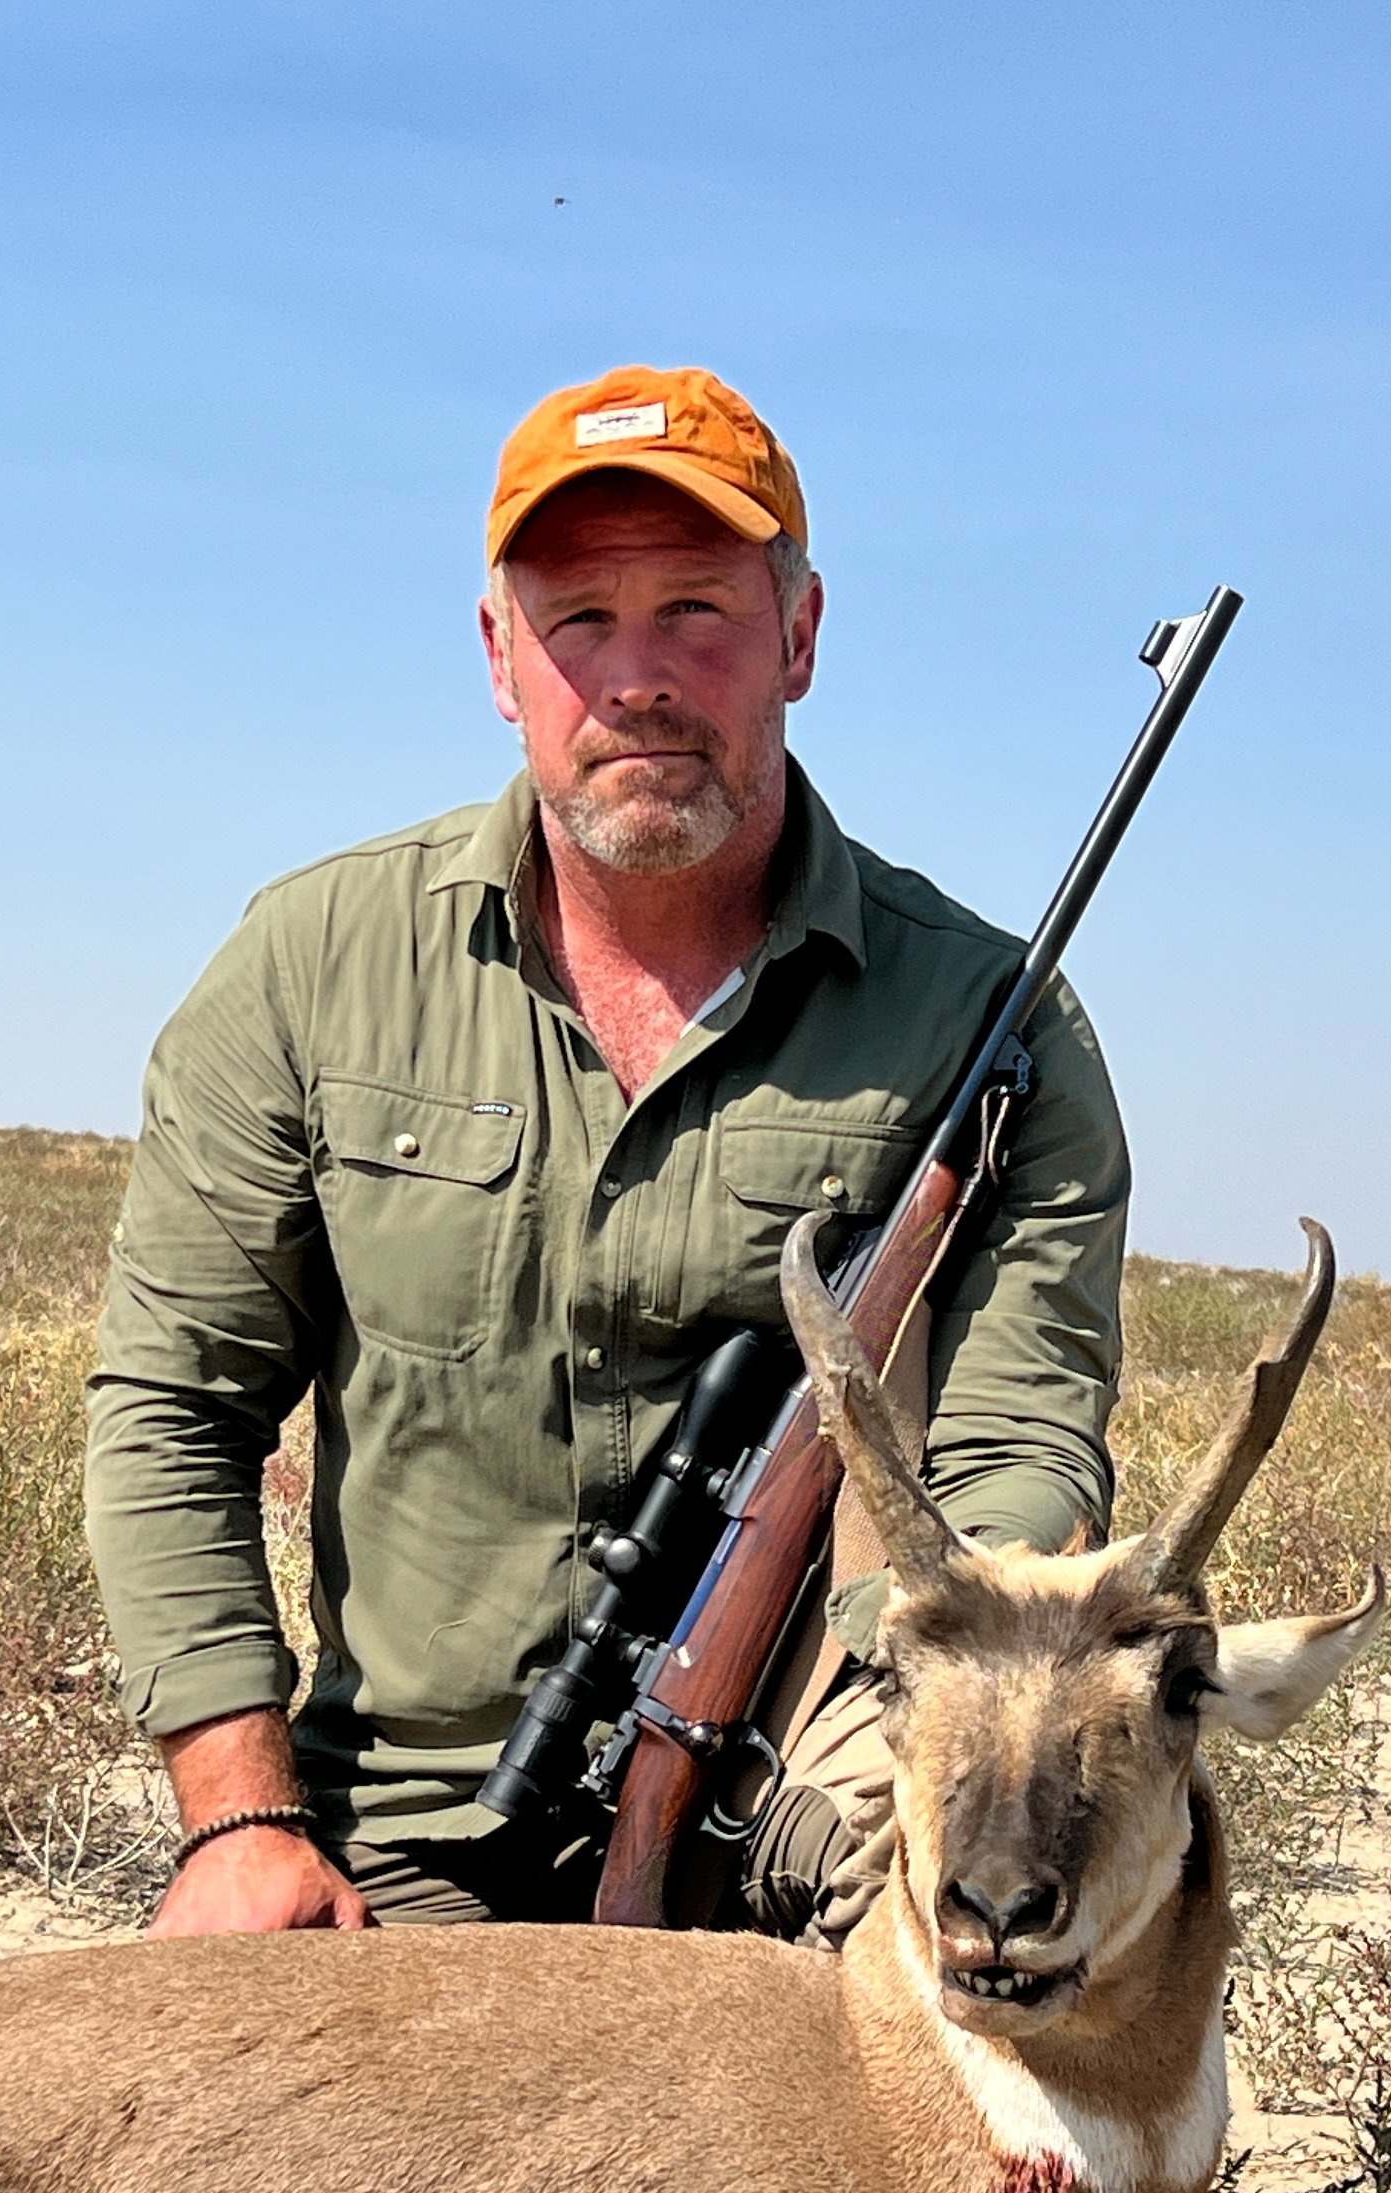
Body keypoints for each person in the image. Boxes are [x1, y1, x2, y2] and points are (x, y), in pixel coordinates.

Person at [86, 364, 1132, 1936]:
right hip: (416, 1816)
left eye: (696, 610)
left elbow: (1016, 1456)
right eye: (579, 619)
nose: (637, 675)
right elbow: (174, 1403)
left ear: (799, 635)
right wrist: (236, 1821)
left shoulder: (995, 1026)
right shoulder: (310, 963)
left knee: (1034, 1972)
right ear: (501, 659)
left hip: (815, 1796)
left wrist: (897, 1713)